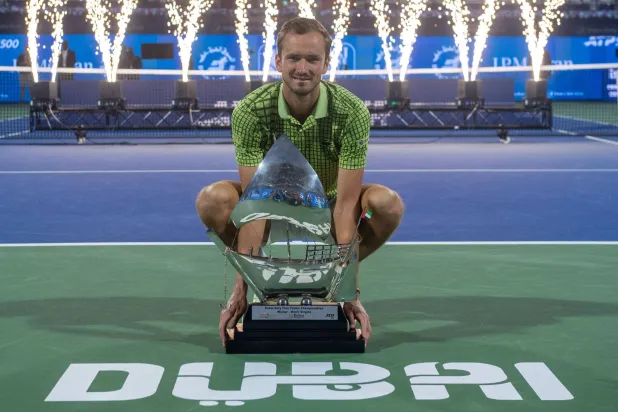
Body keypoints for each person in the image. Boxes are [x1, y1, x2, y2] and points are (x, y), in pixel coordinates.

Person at [195, 17, 404, 348]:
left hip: (332, 209)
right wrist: (243, 287)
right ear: (278, 61)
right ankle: (296, 278)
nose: (303, 68)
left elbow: (348, 205)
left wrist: (349, 291)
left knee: (386, 204)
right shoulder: (251, 112)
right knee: (212, 199)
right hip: (273, 208)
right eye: (293, 58)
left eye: (312, 59)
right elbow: (255, 207)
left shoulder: (351, 112)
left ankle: (329, 278)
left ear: (326, 63)